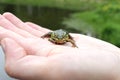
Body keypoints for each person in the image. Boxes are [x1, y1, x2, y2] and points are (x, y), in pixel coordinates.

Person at [0, 12, 120, 80]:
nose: (60, 41)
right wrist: (47, 38)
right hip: (56, 33)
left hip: (63, 34)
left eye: (61, 40)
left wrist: (73, 44)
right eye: (59, 40)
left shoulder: (65, 38)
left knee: (66, 37)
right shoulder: (54, 37)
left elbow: (70, 40)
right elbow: (51, 37)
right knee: (48, 34)